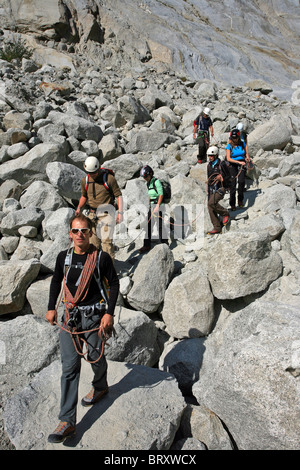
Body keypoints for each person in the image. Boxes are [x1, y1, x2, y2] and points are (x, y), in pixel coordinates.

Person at [46, 213, 119, 444]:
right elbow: (57, 280)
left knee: (96, 357)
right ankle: (67, 421)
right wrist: (51, 307)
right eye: (76, 231)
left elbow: (114, 283)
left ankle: (100, 386)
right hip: (70, 317)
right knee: (69, 367)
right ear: (70, 233)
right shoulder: (63, 258)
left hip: (94, 317)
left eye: (84, 231)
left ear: (90, 233)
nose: (80, 235)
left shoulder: (101, 258)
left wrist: (109, 313)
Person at [75, 156, 123, 259]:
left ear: (99, 168)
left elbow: (118, 196)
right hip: (92, 215)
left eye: (94, 173)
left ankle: (109, 273)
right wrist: (79, 208)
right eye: (90, 173)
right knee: (92, 245)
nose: (92, 175)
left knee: (106, 243)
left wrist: (120, 213)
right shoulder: (85, 181)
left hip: (107, 214)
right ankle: (94, 269)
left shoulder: (109, 179)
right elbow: (84, 196)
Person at [139, 165, 169, 253]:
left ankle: (165, 244)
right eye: (143, 177)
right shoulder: (148, 183)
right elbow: (150, 195)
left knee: (160, 226)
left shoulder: (156, 182)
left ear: (150, 174)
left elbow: (161, 194)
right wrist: (150, 205)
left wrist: (157, 206)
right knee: (148, 225)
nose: (145, 178)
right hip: (152, 207)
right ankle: (146, 245)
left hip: (159, 207)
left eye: (145, 176)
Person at [206, 146, 230, 235]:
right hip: (212, 189)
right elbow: (209, 179)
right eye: (209, 156)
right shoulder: (209, 166)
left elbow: (229, 177)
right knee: (209, 206)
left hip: (221, 188)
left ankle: (225, 213)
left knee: (211, 203)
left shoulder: (222, 164)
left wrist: (222, 177)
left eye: (211, 156)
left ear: (216, 155)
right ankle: (217, 227)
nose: (210, 157)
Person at [226, 128, 249, 210]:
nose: (234, 140)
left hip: (242, 163)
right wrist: (238, 162)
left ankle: (240, 200)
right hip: (233, 164)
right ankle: (232, 203)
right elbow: (228, 158)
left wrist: (247, 157)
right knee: (232, 184)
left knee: (241, 181)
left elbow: (246, 152)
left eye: (236, 138)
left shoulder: (242, 144)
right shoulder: (229, 146)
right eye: (233, 138)